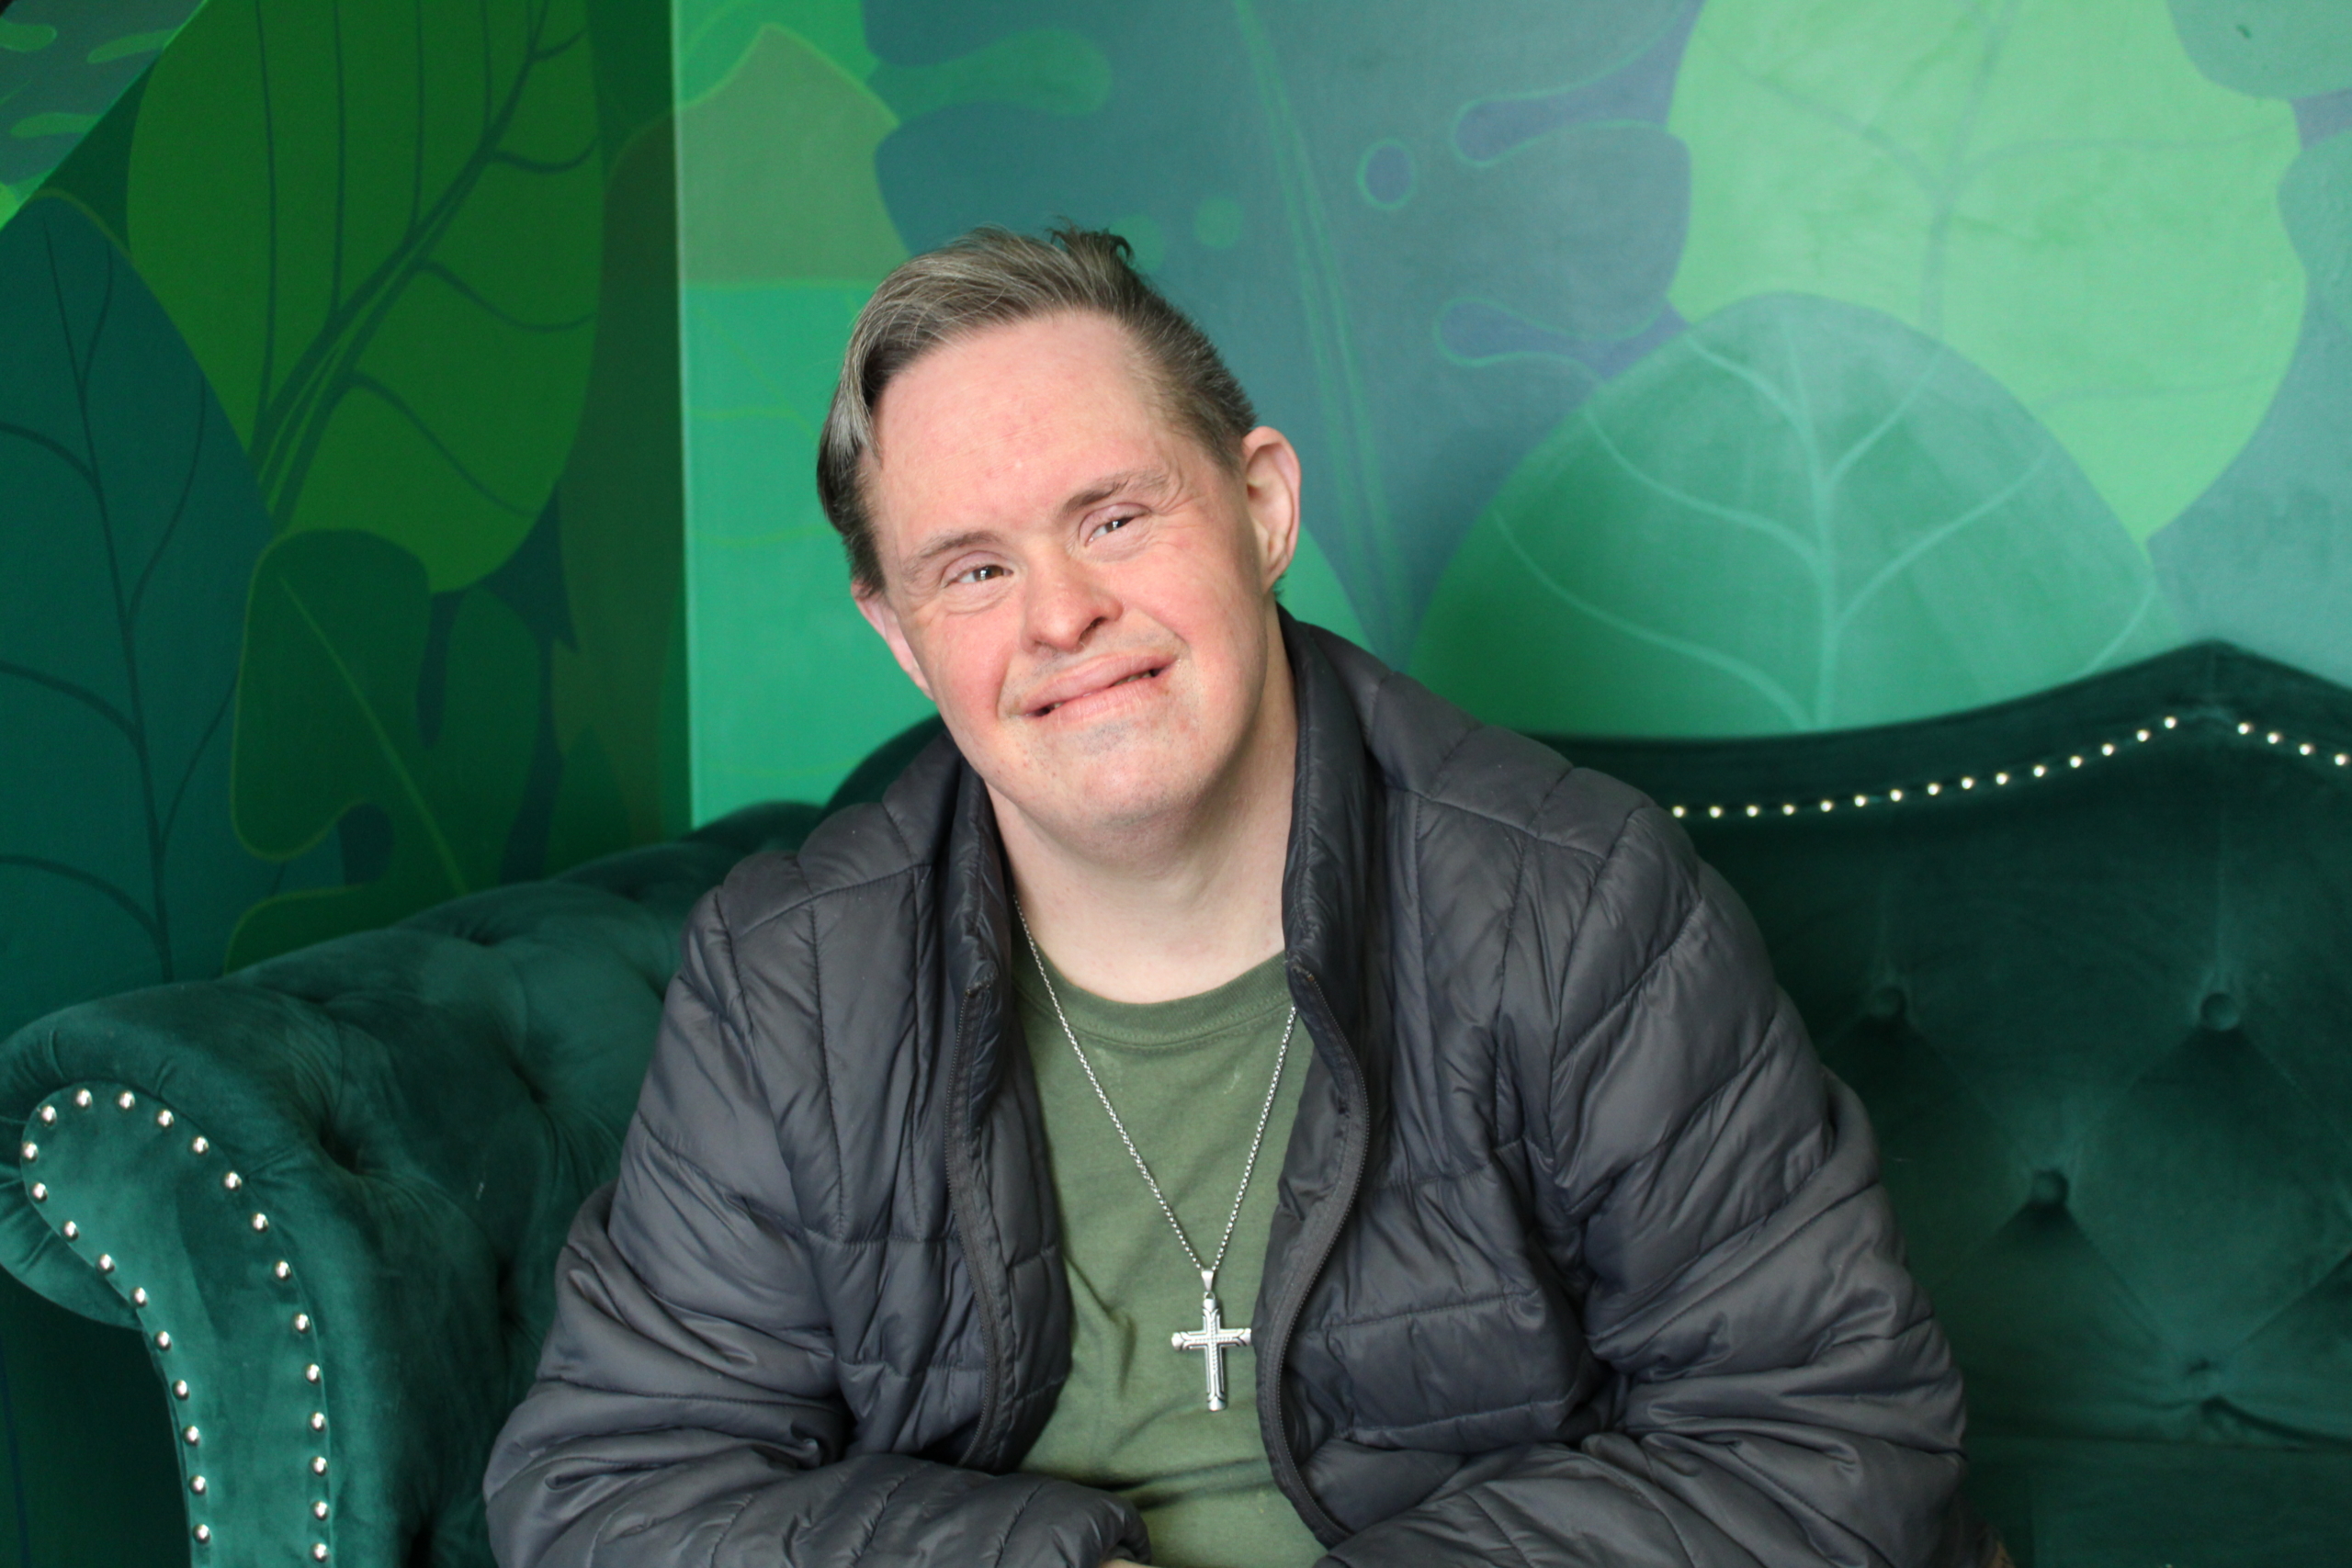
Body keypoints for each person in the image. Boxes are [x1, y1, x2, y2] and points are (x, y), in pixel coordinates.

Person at [484, 227, 1979, 1568]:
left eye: (1116, 517)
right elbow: (612, 1487)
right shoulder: (791, 980)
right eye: (974, 569)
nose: (1063, 615)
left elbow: (1822, 1438)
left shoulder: (1581, 905)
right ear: (899, 634)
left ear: (1261, 508)